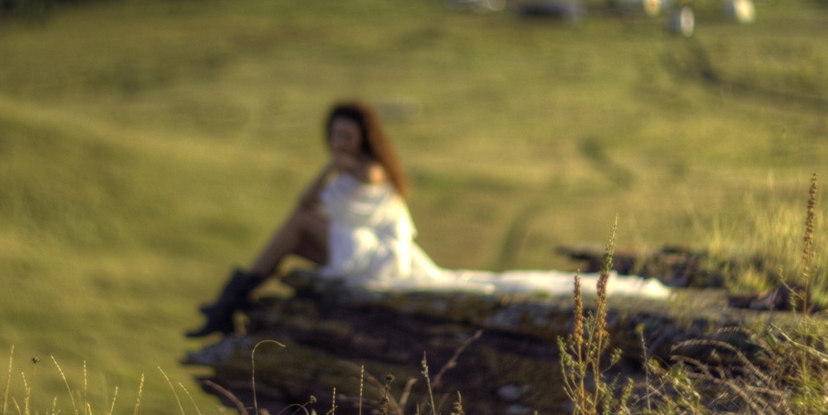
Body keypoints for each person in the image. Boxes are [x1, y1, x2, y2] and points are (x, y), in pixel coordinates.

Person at [185, 101, 671, 338]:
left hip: (378, 259)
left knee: (295, 226)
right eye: (334, 134)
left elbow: (337, 191)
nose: (339, 142)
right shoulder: (338, 170)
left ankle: (231, 302)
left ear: (363, 139)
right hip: (354, 250)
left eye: (347, 135)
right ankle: (232, 301)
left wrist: (340, 162)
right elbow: (305, 199)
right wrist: (330, 163)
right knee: (296, 223)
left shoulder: (369, 168)